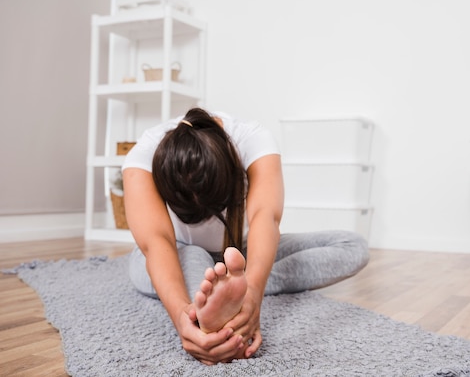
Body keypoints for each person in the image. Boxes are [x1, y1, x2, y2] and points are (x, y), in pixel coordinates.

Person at [121, 107, 370, 365]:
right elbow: (156, 242)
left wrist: (252, 292)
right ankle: (212, 314)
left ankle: (232, 292)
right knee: (195, 255)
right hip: (177, 253)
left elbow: (266, 217)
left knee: (353, 245)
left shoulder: (253, 139)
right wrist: (181, 318)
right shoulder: (143, 155)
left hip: (240, 251)